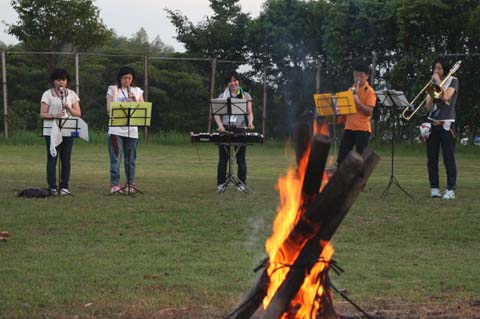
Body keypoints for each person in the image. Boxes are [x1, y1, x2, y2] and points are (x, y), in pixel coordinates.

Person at [40, 69, 81, 196]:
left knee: (66, 159)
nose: (61, 82)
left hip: (67, 130)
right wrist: (54, 115)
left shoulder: (72, 94)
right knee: (52, 158)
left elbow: (78, 113)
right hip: (51, 130)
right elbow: (42, 114)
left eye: (63, 79)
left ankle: (64, 187)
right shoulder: (47, 94)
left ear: (67, 81)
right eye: (58, 79)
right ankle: (52, 186)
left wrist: (68, 108)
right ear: (53, 81)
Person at [106, 67, 144, 194]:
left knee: (130, 159)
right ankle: (114, 185)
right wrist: (124, 104)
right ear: (120, 78)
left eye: (129, 78)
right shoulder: (113, 89)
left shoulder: (137, 91)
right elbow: (108, 108)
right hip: (116, 130)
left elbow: (143, 108)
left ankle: (129, 184)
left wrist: (134, 101)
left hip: (132, 130)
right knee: (115, 158)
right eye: (124, 78)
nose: (127, 80)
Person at [214, 71, 254, 192]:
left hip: (240, 127)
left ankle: (241, 183)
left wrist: (251, 123)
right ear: (227, 83)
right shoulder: (222, 96)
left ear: (238, 81)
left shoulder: (246, 95)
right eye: (230, 81)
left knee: (241, 158)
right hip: (225, 128)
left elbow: (249, 112)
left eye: (235, 80)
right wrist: (220, 126)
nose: (233, 83)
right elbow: (217, 113)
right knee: (223, 158)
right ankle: (221, 184)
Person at [425, 57, 458, 199]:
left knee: (448, 158)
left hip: (447, 123)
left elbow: (447, 97)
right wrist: (432, 90)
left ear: (444, 70)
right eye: (435, 68)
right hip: (433, 122)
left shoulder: (453, 80)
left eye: (439, 68)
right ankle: (434, 188)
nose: (436, 71)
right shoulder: (432, 83)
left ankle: (450, 189)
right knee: (431, 158)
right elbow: (428, 106)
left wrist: (438, 82)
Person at [336, 62, 377, 165]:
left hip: (362, 129)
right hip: (349, 127)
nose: (358, 78)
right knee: (342, 157)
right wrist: (339, 111)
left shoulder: (370, 92)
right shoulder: (350, 90)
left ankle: (360, 180)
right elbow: (345, 112)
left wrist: (357, 101)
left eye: (361, 75)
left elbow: (369, 112)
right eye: (355, 75)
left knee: (360, 158)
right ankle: (342, 179)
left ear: (367, 76)